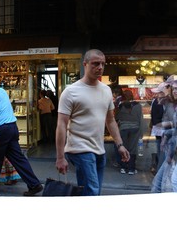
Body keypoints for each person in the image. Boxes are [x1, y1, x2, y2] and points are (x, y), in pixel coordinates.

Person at [55, 49, 131, 196]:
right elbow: (61, 125)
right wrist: (60, 157)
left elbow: (110, 120)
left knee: (92, 192)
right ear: (85, 64)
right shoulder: (70, 92)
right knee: (92, 191)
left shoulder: (106, 90)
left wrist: (120, 144)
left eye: (103, 64)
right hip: (80, 149)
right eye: (96, 63)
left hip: (99, 149)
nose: (100, 67)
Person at [115, 89, 142, 175]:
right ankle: (131, 169)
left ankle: (123, 167)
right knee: (132, 149)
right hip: (135, 129)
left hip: (123, 128)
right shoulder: (138, 106)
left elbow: (117, 117)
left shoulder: (121, 105)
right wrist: (141, 131)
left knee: (124, 147)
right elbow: (140, 119)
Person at [147, 82, 169, 172]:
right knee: (162, 151)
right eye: (159, 92)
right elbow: (155, 117)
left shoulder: (167, 101)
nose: (158, 94)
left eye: (160, 92)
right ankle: (162, 171)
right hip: (161, 129)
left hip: (162, 129)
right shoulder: (158, 102)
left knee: (163, 151)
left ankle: (162, 171)